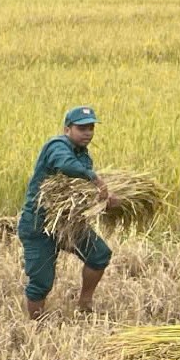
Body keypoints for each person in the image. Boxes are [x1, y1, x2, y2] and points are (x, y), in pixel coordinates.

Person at [19, 106, 117, 320]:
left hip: (67, 222)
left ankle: (84, 304)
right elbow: (65, 165)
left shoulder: (83, 155)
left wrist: (104, 201)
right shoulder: (58, 146)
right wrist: (96, 179)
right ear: (67, 129)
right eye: (82, 128)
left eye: (91, 128)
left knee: (99, 254)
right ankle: (36, 326)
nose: (88, 133)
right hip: (40, 224)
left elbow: (79, 196)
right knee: (42, 281)